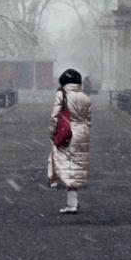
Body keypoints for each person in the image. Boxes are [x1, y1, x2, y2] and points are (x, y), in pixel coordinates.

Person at [46, 67, 91, 214]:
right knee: (76, 166)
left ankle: (72, 203)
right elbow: (88, 119)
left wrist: (53, 133)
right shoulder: (85, 97)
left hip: (67, 132)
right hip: (82, 132)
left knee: (67, 167)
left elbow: (55, 116)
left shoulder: (61, 95)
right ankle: (73, 200)